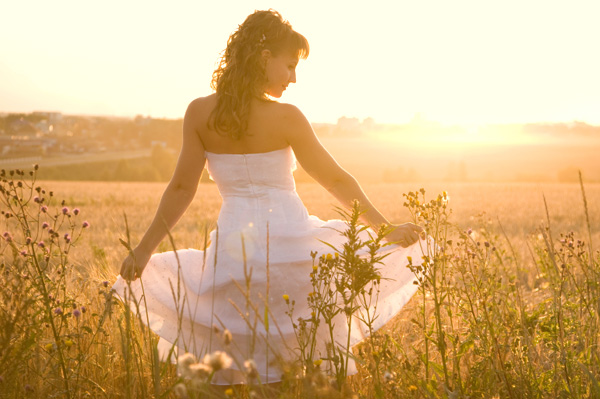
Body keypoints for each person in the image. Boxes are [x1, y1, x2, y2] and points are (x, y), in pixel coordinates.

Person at [112, 9, 425, 387]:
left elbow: (180, 189)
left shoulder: (199, 113)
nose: (293, 78)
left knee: (233, 364)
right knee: (290, 372)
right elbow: (335, 179)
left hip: (234, 255)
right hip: (293, 254)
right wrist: (384, 228)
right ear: (264, 58)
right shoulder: (288, 117)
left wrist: (144, 250)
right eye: (290, 66)